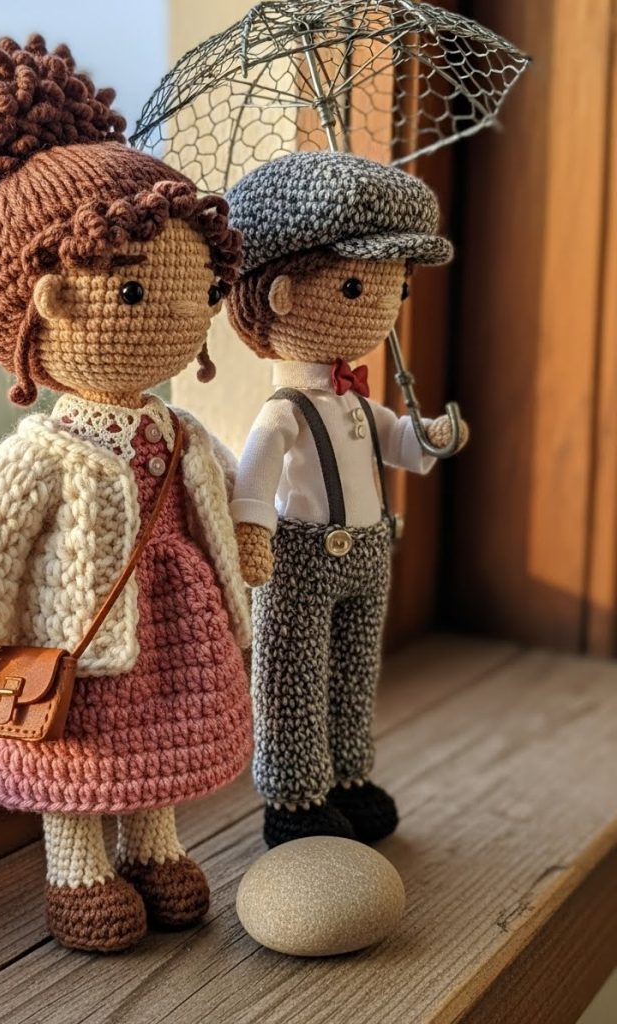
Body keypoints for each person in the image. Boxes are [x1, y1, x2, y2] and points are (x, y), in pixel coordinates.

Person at [0, 34, 252, 952]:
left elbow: (224, 488)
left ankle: (155, 848)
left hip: (171, 624)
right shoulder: (46, 453)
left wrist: (248, 538)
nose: (181, 313)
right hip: (79, 639)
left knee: (160, 744)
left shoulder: (177, 431)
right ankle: (78, 870)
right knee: (80, 756)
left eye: (198, 287)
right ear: (46, 309)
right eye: (138, 292)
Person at [225, 151, 468, 849]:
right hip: (301, 558)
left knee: (356, 670)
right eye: (362, 285)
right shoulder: (285, 410)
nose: (385, 306)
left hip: (368, 554)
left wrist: (431, 434)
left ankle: (349, 775)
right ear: (281, 295)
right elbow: (253, 480)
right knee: (291, 675)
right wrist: (251, 535)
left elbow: (399, 444)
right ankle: (295, 793)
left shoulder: (358, 401)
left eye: (397, 287)